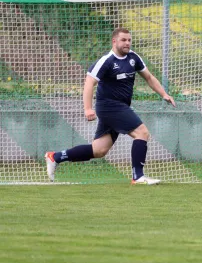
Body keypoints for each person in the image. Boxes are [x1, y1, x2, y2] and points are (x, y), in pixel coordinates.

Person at [45, 27, 176, 185]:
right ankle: (138, 177)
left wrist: (164, 94)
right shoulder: (106, 61)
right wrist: (87, 108)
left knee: (99, 150)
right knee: (142, 133)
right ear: (114, 41)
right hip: (109, 106)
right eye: (123, 40)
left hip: (119, 107)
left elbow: (149, 77)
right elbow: (89, 83)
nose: (127, 43)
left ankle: (55, 157)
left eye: (129, 40)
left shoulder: (134, 58)